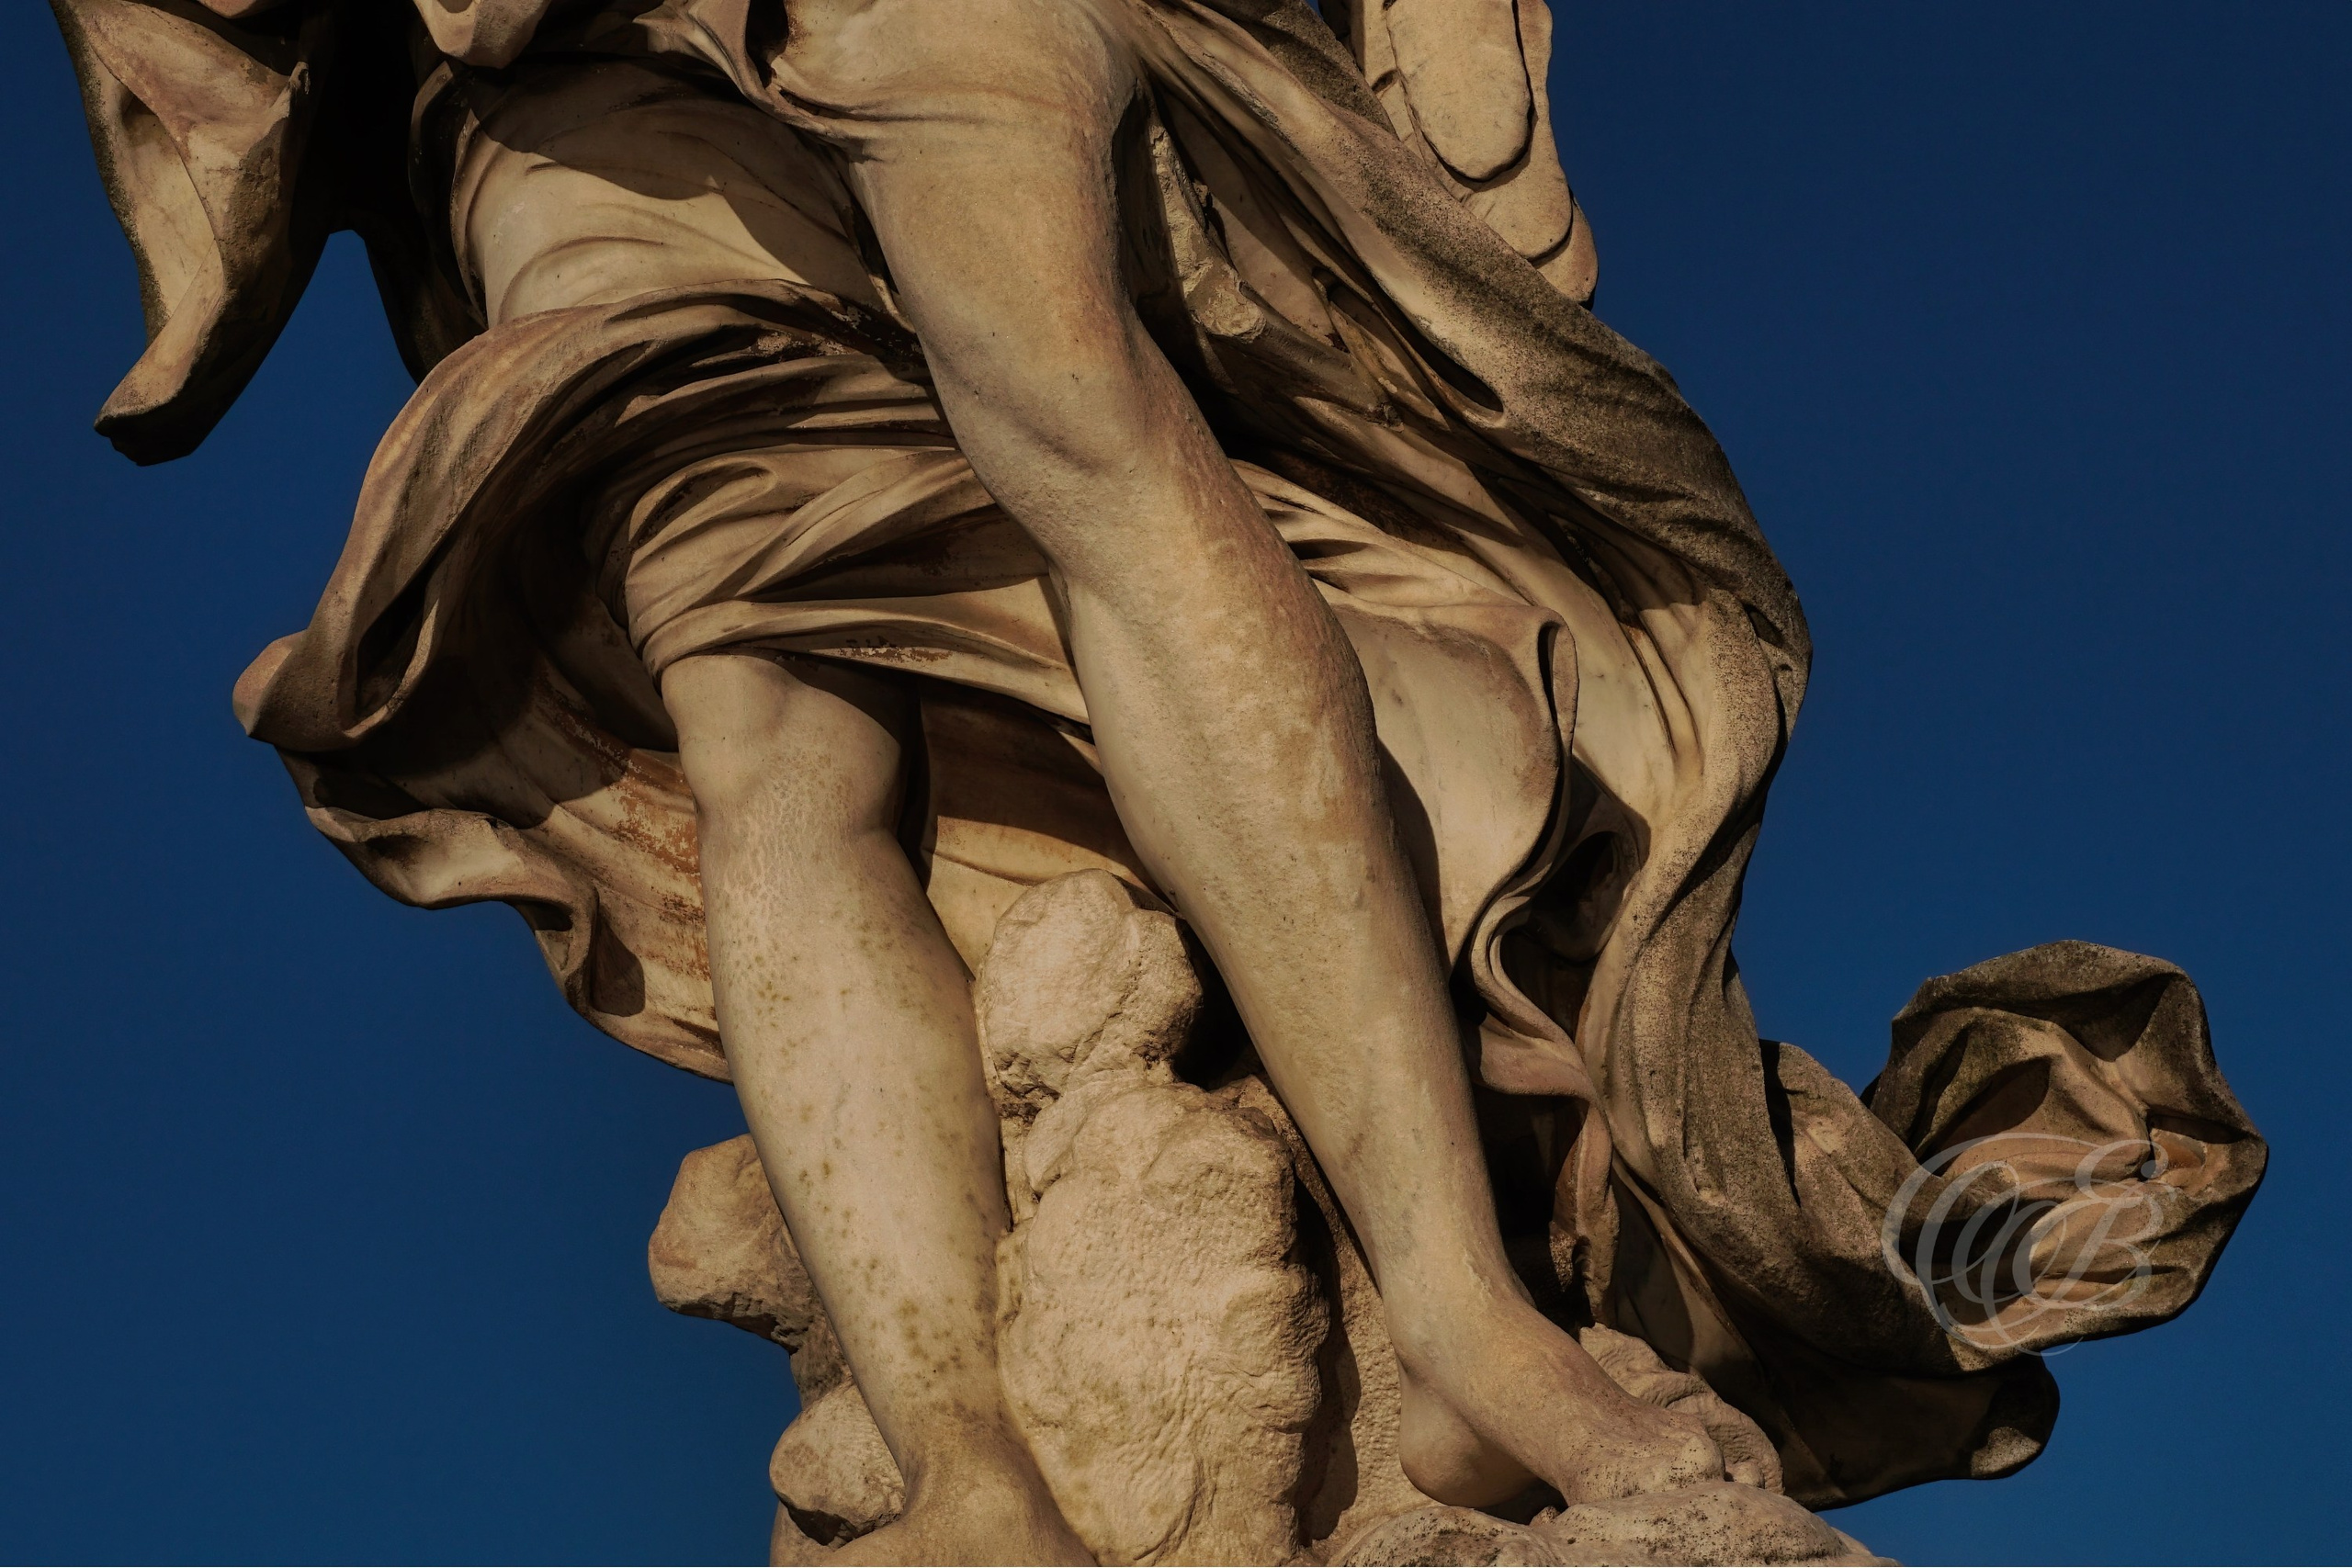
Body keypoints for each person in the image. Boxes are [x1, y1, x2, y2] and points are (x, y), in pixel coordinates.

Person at [56, 0, 2267, 1560]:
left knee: (1089, 425)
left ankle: (1469, 1314)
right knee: (761, 726)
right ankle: (963, 1467)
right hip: (540, 71)